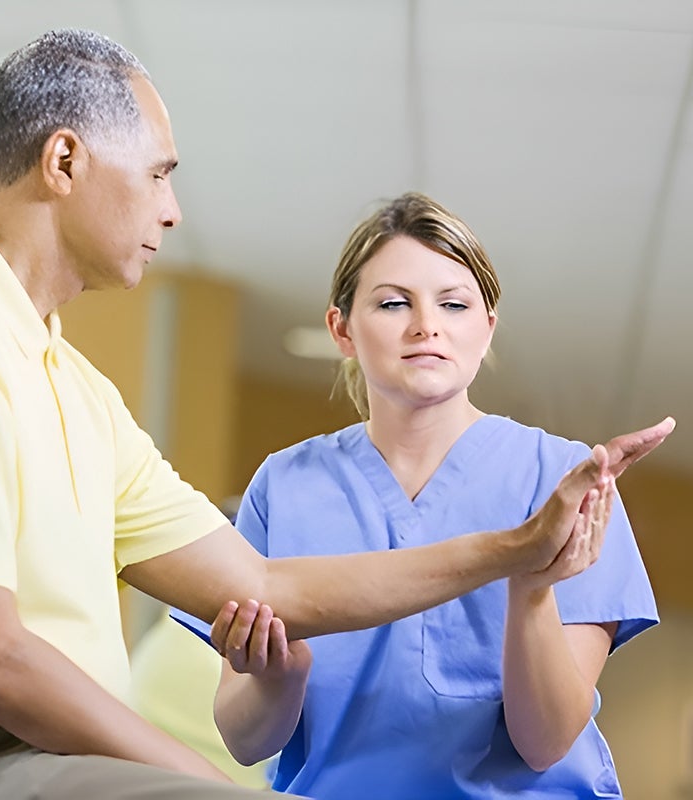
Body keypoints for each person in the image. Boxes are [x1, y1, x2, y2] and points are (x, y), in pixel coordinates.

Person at [0, 29, 672, 800]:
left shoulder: (71, 385)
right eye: (157, 176)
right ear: (64, 163)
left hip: (31, 754)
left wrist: (517, 554)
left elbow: (264, 588)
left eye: (452, 304)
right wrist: (208, 779)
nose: (171, 210)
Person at [184, 192, 667, 799]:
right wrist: (282, 675)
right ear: (342, 329)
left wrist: (532, 582)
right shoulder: (285, 487)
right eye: (392, 303)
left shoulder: (563, 480)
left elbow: (545, 742)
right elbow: (245, 739)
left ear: (486, 328)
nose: (426, 326)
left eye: (454, 304)